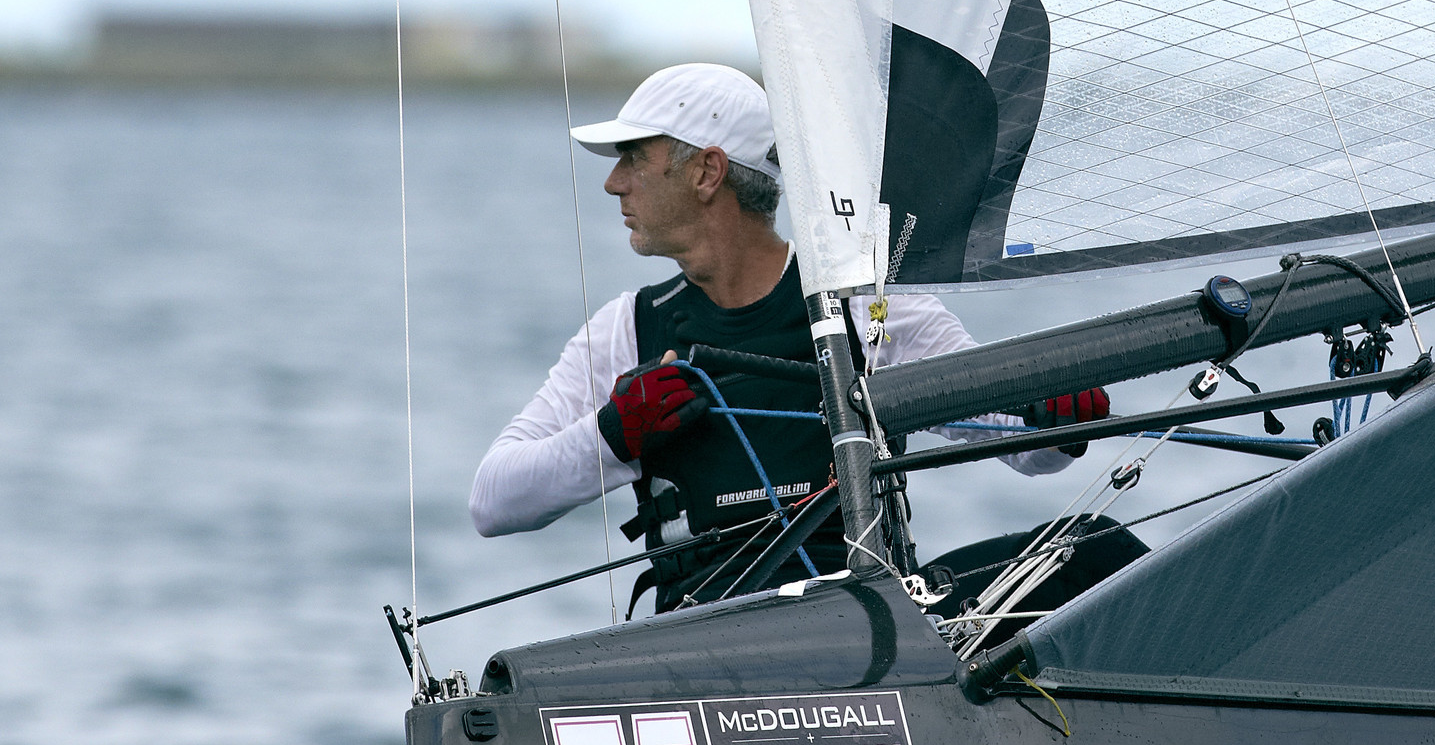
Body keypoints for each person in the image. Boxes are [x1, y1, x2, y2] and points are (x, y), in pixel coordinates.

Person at [470, 63, 1107, 608]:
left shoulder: (869, 310)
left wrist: (1057, 418)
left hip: (870, 629)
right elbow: (492, 501)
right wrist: (613, 434)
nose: (614, 181)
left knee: (1099, 550)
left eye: (634, 157)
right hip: (698, 645)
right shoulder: (625, 330)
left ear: (707, 172)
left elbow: (1028, 450)